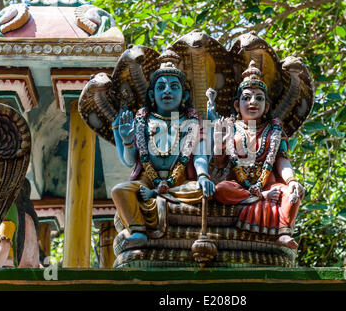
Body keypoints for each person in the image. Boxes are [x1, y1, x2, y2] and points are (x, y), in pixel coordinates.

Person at [111, 50, 215, 249]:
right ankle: (139, 231)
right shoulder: (141, 121)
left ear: (184, 94)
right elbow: (131, 161)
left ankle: (158, 195)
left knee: (204, 191)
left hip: (182, 184)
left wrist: (203, 176)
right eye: (161, 87)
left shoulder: (192, 122)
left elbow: (200, 154)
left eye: (174, 87)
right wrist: (126, 141)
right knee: (120, 190)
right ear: (152, 94)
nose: (167, 91)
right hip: (146, 181)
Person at [210, 61, 304, 249]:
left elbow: (282, 160)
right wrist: (219, 142)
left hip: (270, 183)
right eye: (247, 98)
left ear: (267, 106)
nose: (253, 102)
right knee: (220, 189)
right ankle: (258, 197)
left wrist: (292, 180)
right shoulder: (230, 127)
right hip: (238, 185)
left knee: (291, 193)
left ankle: (283, 233)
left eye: (259, 98)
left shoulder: (274, 131)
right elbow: (219, 163)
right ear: (237, 105)